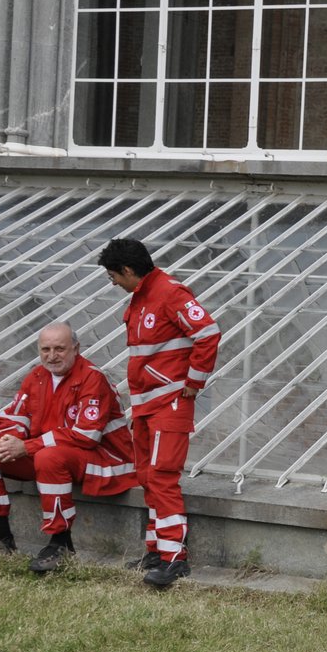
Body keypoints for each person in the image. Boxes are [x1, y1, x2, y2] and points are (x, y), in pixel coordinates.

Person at [99, 238, 221, 588]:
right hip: (146, 404)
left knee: (163, 477)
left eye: (113, 277)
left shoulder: (170, 293)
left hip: (168, 404)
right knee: (147, 477)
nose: (113, 284)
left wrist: (194, 382)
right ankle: (157, 550)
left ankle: (174, 558)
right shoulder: (141, 296)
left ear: (127, 270)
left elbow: (208, 333)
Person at [0, 323, 136, 573]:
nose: (51, 355)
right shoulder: (37, 376)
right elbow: (15, 417)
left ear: (76, 348)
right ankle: (0, 535)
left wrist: (26, 446)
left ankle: (61, 543)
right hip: (51, 456)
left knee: (49, 457)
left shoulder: (92, 378)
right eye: (45, 349)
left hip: (106, 462)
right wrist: (8, 440)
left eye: (59, 348)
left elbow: (87, 435)